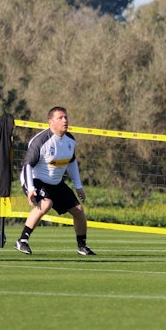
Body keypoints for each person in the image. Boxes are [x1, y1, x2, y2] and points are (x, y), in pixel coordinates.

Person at [15, 106, 96, 256]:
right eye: (60, 118)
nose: (65, 120)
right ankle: (22, 240)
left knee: (78, 211)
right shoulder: (40, 141)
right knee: (46, 203)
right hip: (35, 179)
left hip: (56, 182)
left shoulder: (70, 140)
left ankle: (82, 246)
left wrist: (78, 186)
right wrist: (31, 188)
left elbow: (71, 163)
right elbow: (27, 166)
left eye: (66, 117)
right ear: (50, 122)